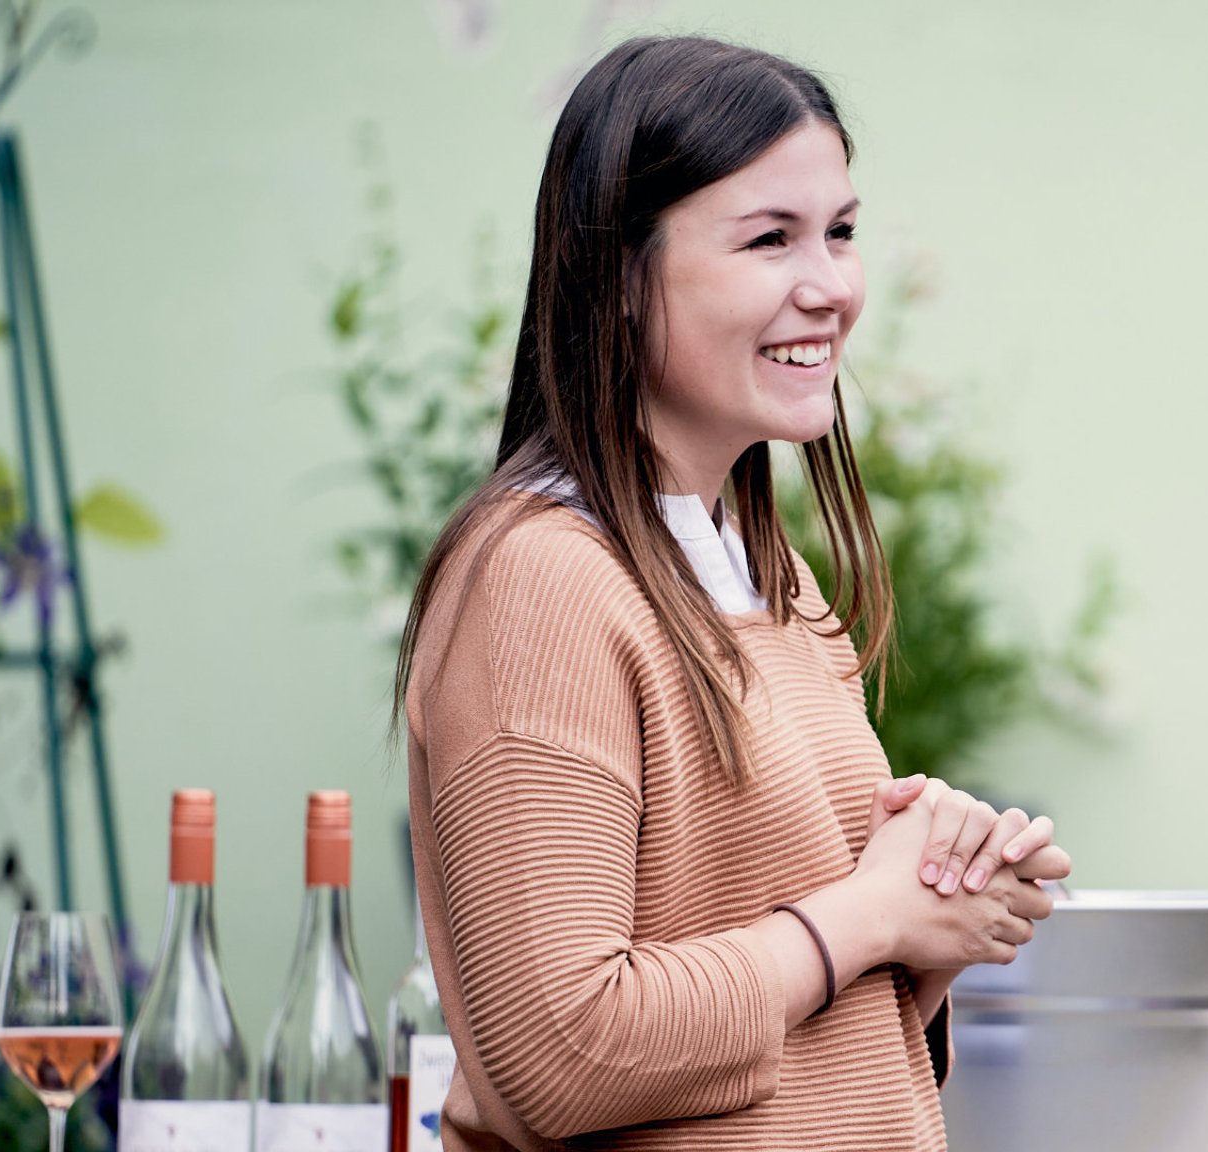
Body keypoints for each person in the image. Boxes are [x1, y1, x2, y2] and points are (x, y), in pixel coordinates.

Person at [396, 35, 1071, 1151]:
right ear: (617, 274)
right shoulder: (541, 578)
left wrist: (932, 928)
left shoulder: (768, 578)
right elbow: (565, 1051)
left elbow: (792, 1035)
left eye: (840, 233)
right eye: (769, 239)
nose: (831, 288)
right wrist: (866, 915)